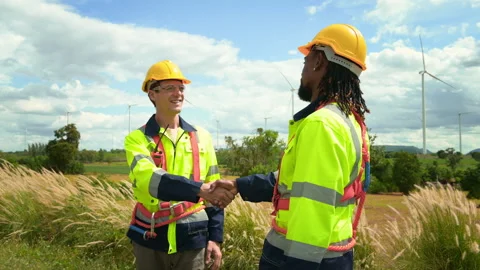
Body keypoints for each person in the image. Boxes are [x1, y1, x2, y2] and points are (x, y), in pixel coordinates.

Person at [209, 23, 372, 269]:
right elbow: (295, 181)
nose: (303, 70)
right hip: (333, 255)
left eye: (305, 61)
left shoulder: (321, 124)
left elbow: (312, 209)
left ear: (318, 60)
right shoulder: (350, 121)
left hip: (300, 257)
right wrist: (238, 185)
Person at [124, 60, 235, 270]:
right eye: (169, 88)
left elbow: (214, 190)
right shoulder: (136, 139)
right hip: (150, 237)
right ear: (152, 93)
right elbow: (150, 178)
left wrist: (215, 238)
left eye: (181, 88)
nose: (178, 94)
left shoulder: (203, 137)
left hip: (193, 238)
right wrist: (198, 190)